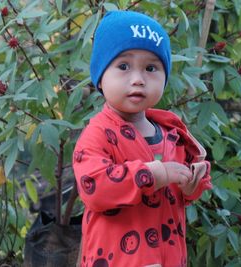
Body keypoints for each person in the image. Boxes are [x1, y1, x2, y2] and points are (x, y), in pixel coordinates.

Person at [72, 10, 212, 267]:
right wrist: (154, 174)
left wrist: (192, 182)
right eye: (123, 66)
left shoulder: (172, 134)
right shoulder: (98, 134)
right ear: (100, 78)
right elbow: (95, 188)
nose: (137, 79)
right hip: (119, 259)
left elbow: (182, 194)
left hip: (169, 257)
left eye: (151, 68)